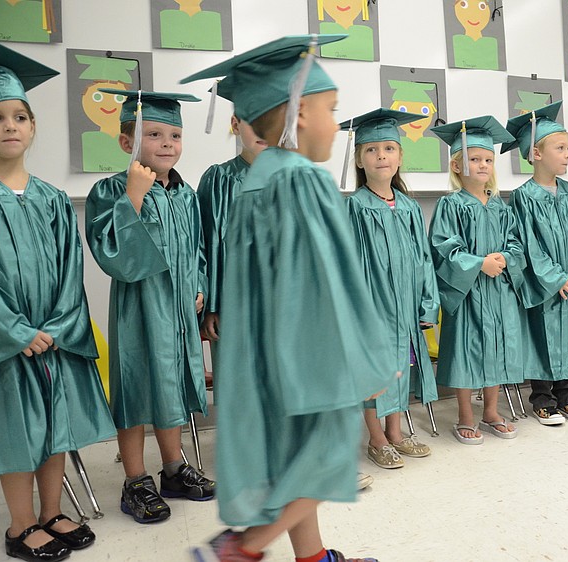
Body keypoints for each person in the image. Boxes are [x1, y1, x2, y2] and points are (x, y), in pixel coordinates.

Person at [181, 34, 396, 562]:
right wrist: (365, 356)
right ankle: (241, 549)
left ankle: (312, 555)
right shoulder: (302, 179)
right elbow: (326, 280)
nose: (336, 126)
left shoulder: (260, 177)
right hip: (310, 355)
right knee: (323, 453)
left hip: (270, 351)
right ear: (299, 115)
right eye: (331, 111)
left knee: (292, 455)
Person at [0, 38, 115, 561]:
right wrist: (15, 332)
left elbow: (70, 270)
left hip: (53, 336)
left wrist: (59, 326)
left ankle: (52, 511)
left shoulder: (53, 199)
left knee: (56, 426)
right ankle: (19, 526)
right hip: (5, 341)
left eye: (19, 116)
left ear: (33, 126)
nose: (9, 126)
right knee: (19, 431)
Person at [85, 89, 215, 524]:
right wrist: (134, 195)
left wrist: (199, 285)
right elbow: (111, 253)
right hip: (139, 309)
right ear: (127, 143)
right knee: (137, 385)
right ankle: (136, 480)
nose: (166, 143)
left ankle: (174, 469)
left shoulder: (187, 194)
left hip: (179, 311)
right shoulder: (111, 189)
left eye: (174, 135)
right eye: (154, 133)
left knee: (173, 383)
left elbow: (197, 250)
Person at [341, 108, 440, 469]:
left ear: (400, 156)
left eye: (388, 148)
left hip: (407, 306)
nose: (381, 156)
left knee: (402, 365)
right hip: (373, 306)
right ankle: (377, 438)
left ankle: (396, 432)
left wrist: (427, 304)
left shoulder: (411, 207)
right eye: (371, 150)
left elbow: (424, 260)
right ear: (358, 159)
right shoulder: (354, 207)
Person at [428, 115, 525, 444]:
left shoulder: (501, 206)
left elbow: (516, 243)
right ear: (456, 165)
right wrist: (478, 263)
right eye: (474, 159)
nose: (483, 164)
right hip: (468, 292)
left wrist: (505, 258)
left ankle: (491, 412)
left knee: (495, 350)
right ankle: (465, 415)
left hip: (498, 291)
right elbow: (443, 247)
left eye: (488, 159)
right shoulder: (450, 205)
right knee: (466, 352)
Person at [503, 101, 568, 425]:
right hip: (546, 285)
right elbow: (528, 245)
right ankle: (542, 398)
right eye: (561, 148)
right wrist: (558, 279)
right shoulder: (523, 197)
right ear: (536, 154)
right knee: (542, 337)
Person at [198, 105, 268, 345]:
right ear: (236, 125)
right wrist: (212, 305)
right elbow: (205, 244)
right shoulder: (219, 179)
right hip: (233, 307)